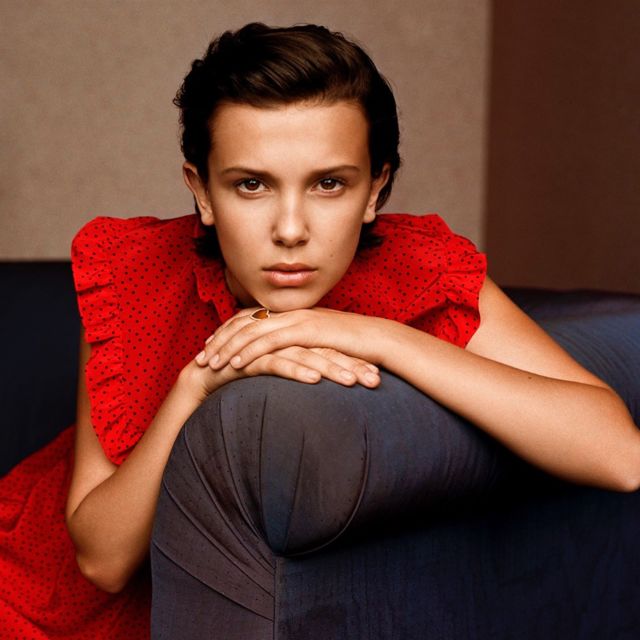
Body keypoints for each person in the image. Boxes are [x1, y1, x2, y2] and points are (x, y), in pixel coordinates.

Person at [1, 22, 638, 640]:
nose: (290, 229)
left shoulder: (421, 270)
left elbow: (620, 456)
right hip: (28, 599)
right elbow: (102, 562)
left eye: (328, 184)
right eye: (251, 185)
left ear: (375, 189)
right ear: (202, 192)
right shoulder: (131, 274)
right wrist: (197, 385)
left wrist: (372, 335)